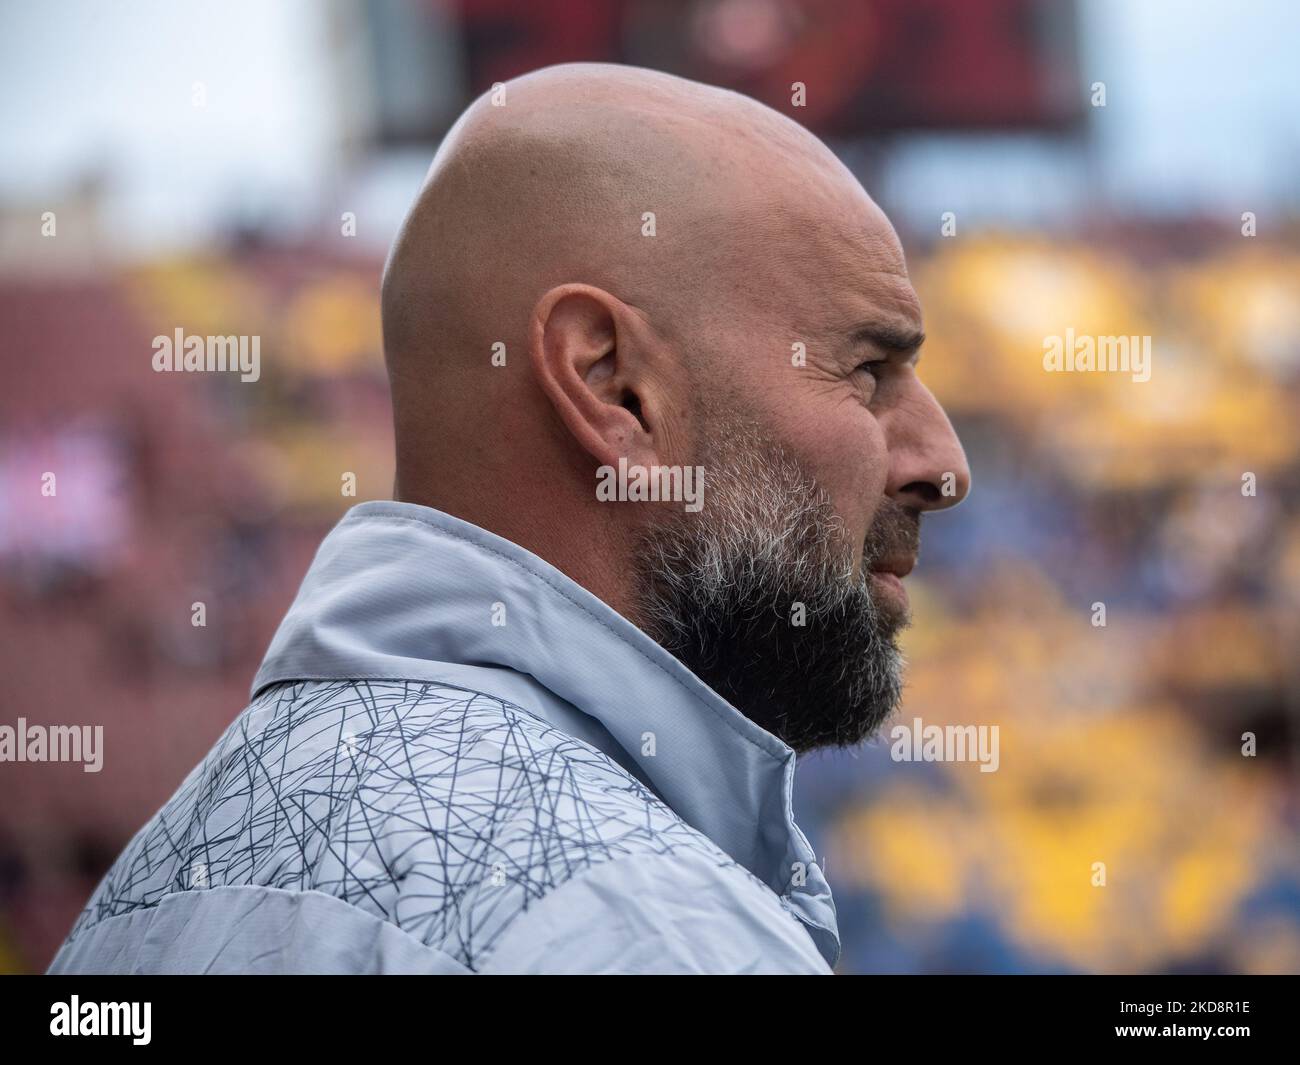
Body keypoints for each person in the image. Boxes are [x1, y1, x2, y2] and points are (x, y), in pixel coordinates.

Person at [49, 62, 969, 975]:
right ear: (612, 386)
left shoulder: (145, 894)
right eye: (867, 372)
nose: (946, 465)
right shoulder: (646, 933)